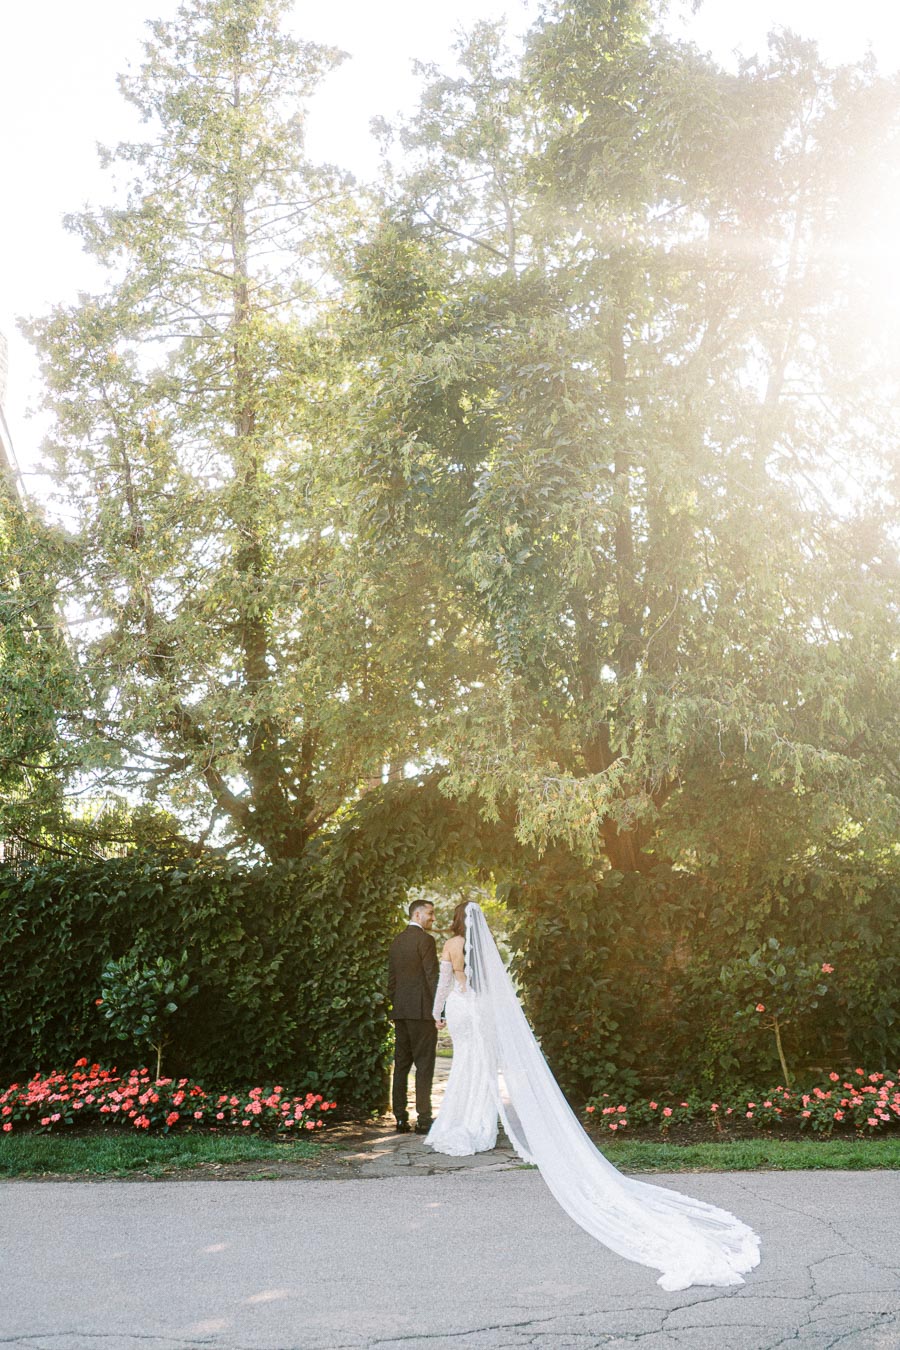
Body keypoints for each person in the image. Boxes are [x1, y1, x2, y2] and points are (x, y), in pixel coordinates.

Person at [426, 900, 762, 1292]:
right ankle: (481, 1122)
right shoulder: (484, 948)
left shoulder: (450, 943)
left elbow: (447, 982)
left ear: (455, 920)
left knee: (467, 1062)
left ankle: (462, 1121)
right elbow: (490, 985)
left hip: (461, 1008)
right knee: (481, 1064)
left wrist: (439, 1011)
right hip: (479, 1007)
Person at [387, 898, 439, 1134]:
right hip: (422, 1012)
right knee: (424, 1066)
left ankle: (400, 1118)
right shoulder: (426, 940)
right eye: (430, 913)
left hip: (401, 1011)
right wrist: (440, 1010)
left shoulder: (397, 941)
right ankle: (424, 1119)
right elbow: (431, 977)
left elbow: (392, 981)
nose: (433, 918)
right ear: (417, 914)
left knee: (401, 1066)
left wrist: (396, 1005)